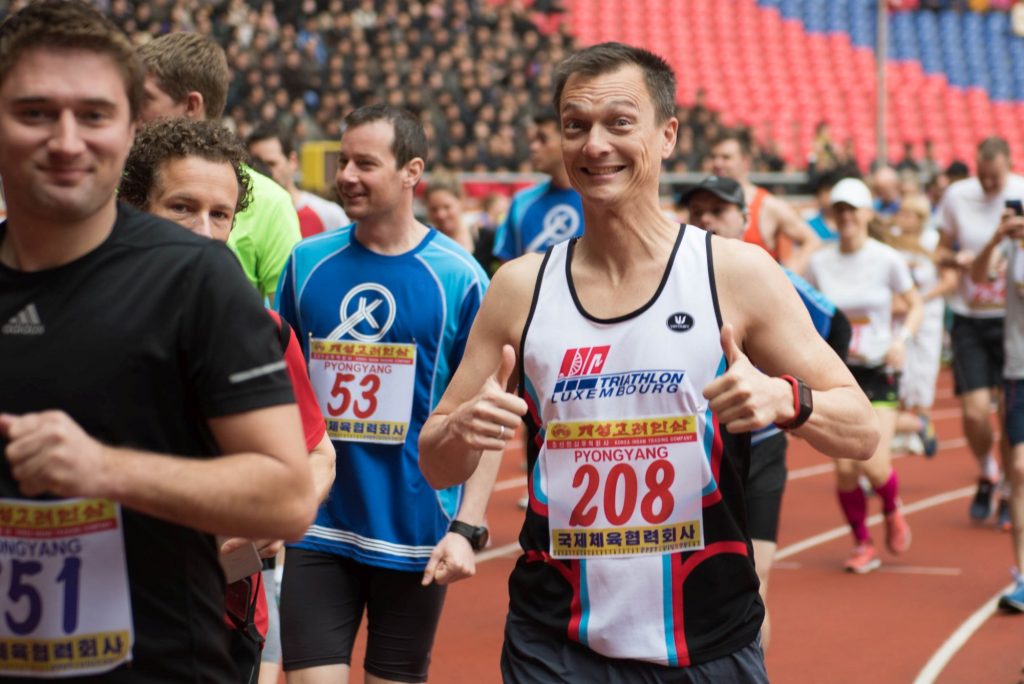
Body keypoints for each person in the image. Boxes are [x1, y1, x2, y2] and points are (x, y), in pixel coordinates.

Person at [419, 42, 877, 680]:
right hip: (552, 639)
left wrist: (787, 400)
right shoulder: (521, 288)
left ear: (667, 136)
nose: (594, 144)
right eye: (575, 126)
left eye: (619, 123)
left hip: (706, 637)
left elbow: (861, 426)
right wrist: (462, 430)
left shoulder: (733, 273)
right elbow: (435, 455)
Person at [0, 2, 316, 680]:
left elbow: (288, 497)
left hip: (159, 663)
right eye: (33, 112)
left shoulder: (198, 278)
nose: (65, 139)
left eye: (93, 115)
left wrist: (105, 471)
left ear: (128, 129)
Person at [275, 105, 499, 684]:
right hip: (318, 526)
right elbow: (282, 389)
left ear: (411, 171)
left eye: (364, 163)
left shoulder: (460, 278)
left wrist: (467, 525)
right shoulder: (305, 264)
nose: (346, 174)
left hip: (414, 534)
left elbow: (486, 414)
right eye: (342, 160)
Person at [119, 117, 336, 684]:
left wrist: (276, 517)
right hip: (103, 619)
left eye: (220, 215)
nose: (204, 232)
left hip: (225, 618)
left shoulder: (263, 332)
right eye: (181, 208)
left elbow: (319, 456)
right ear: (133, 206)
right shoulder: (80, 320)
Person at [680, 174, 850, 650]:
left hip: (757, 451)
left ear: (745, 219)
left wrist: (793, 395)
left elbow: (836, 325)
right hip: (687, 456)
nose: (707, 220)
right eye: (698, 212)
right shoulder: (671, 279)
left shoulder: (770, 277)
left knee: (752, 587)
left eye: (719, 210)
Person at [804, 178, 923, 573]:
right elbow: (809, 313)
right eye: (840, 210)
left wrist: (902, 339)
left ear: (867, 214)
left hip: (877, 371)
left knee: (872, 463)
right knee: (843, 468)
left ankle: (891, 507)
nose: (847, 218)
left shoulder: (885, 258)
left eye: (853, 210)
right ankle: (862, 542)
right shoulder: (820, 262)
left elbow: (914, 304)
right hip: (839, 373)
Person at [137, 31, 301, 303]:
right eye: (180, 207)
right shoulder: (115, 184)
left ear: (191, 105)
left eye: (144, 99)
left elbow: (282, 331)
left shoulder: (270, 203)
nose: (131, 110)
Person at [937, 137, 1024, 523]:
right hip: (969, 314)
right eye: (983, 176)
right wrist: (958, 258)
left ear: (1008, 165)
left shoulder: (1022, 190)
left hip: (1011, 319)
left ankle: (1008, 487)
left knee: (1008, 413)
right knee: (974, 413)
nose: (989, 184)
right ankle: (988, 469)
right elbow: (938, 251)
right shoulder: (958, 196)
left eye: (996, 178)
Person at [970, 205, 1024, 611]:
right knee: (1019, 471)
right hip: (1017, 371)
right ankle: (1022, 575)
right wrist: (995, 239)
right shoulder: (1010, 249)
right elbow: (976, 277)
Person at [709, 127, 821, 273]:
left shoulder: (767, 205)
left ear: (745, 161)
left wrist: (788, 276)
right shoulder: (701, 206)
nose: (717, 163)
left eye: (726, 157)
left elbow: (811, 241)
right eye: (713, 157)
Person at [492, 106, 584, 261]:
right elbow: (507, 267)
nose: (533, 147)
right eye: (532, 140)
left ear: (568, 140)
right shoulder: (521, 202)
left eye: (542, 139)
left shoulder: (599, 199)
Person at [246, 124, 349, 238]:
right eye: (255, 166)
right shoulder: (242, 218)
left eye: (271, 164)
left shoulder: (329, 215)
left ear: (292, 161)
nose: (264, 171)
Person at [424, 171, 499, 274]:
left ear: (461, 201)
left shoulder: (486, 238)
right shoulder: (426, 245)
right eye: (434, 209)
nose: (441, 214)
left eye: (447, 207)